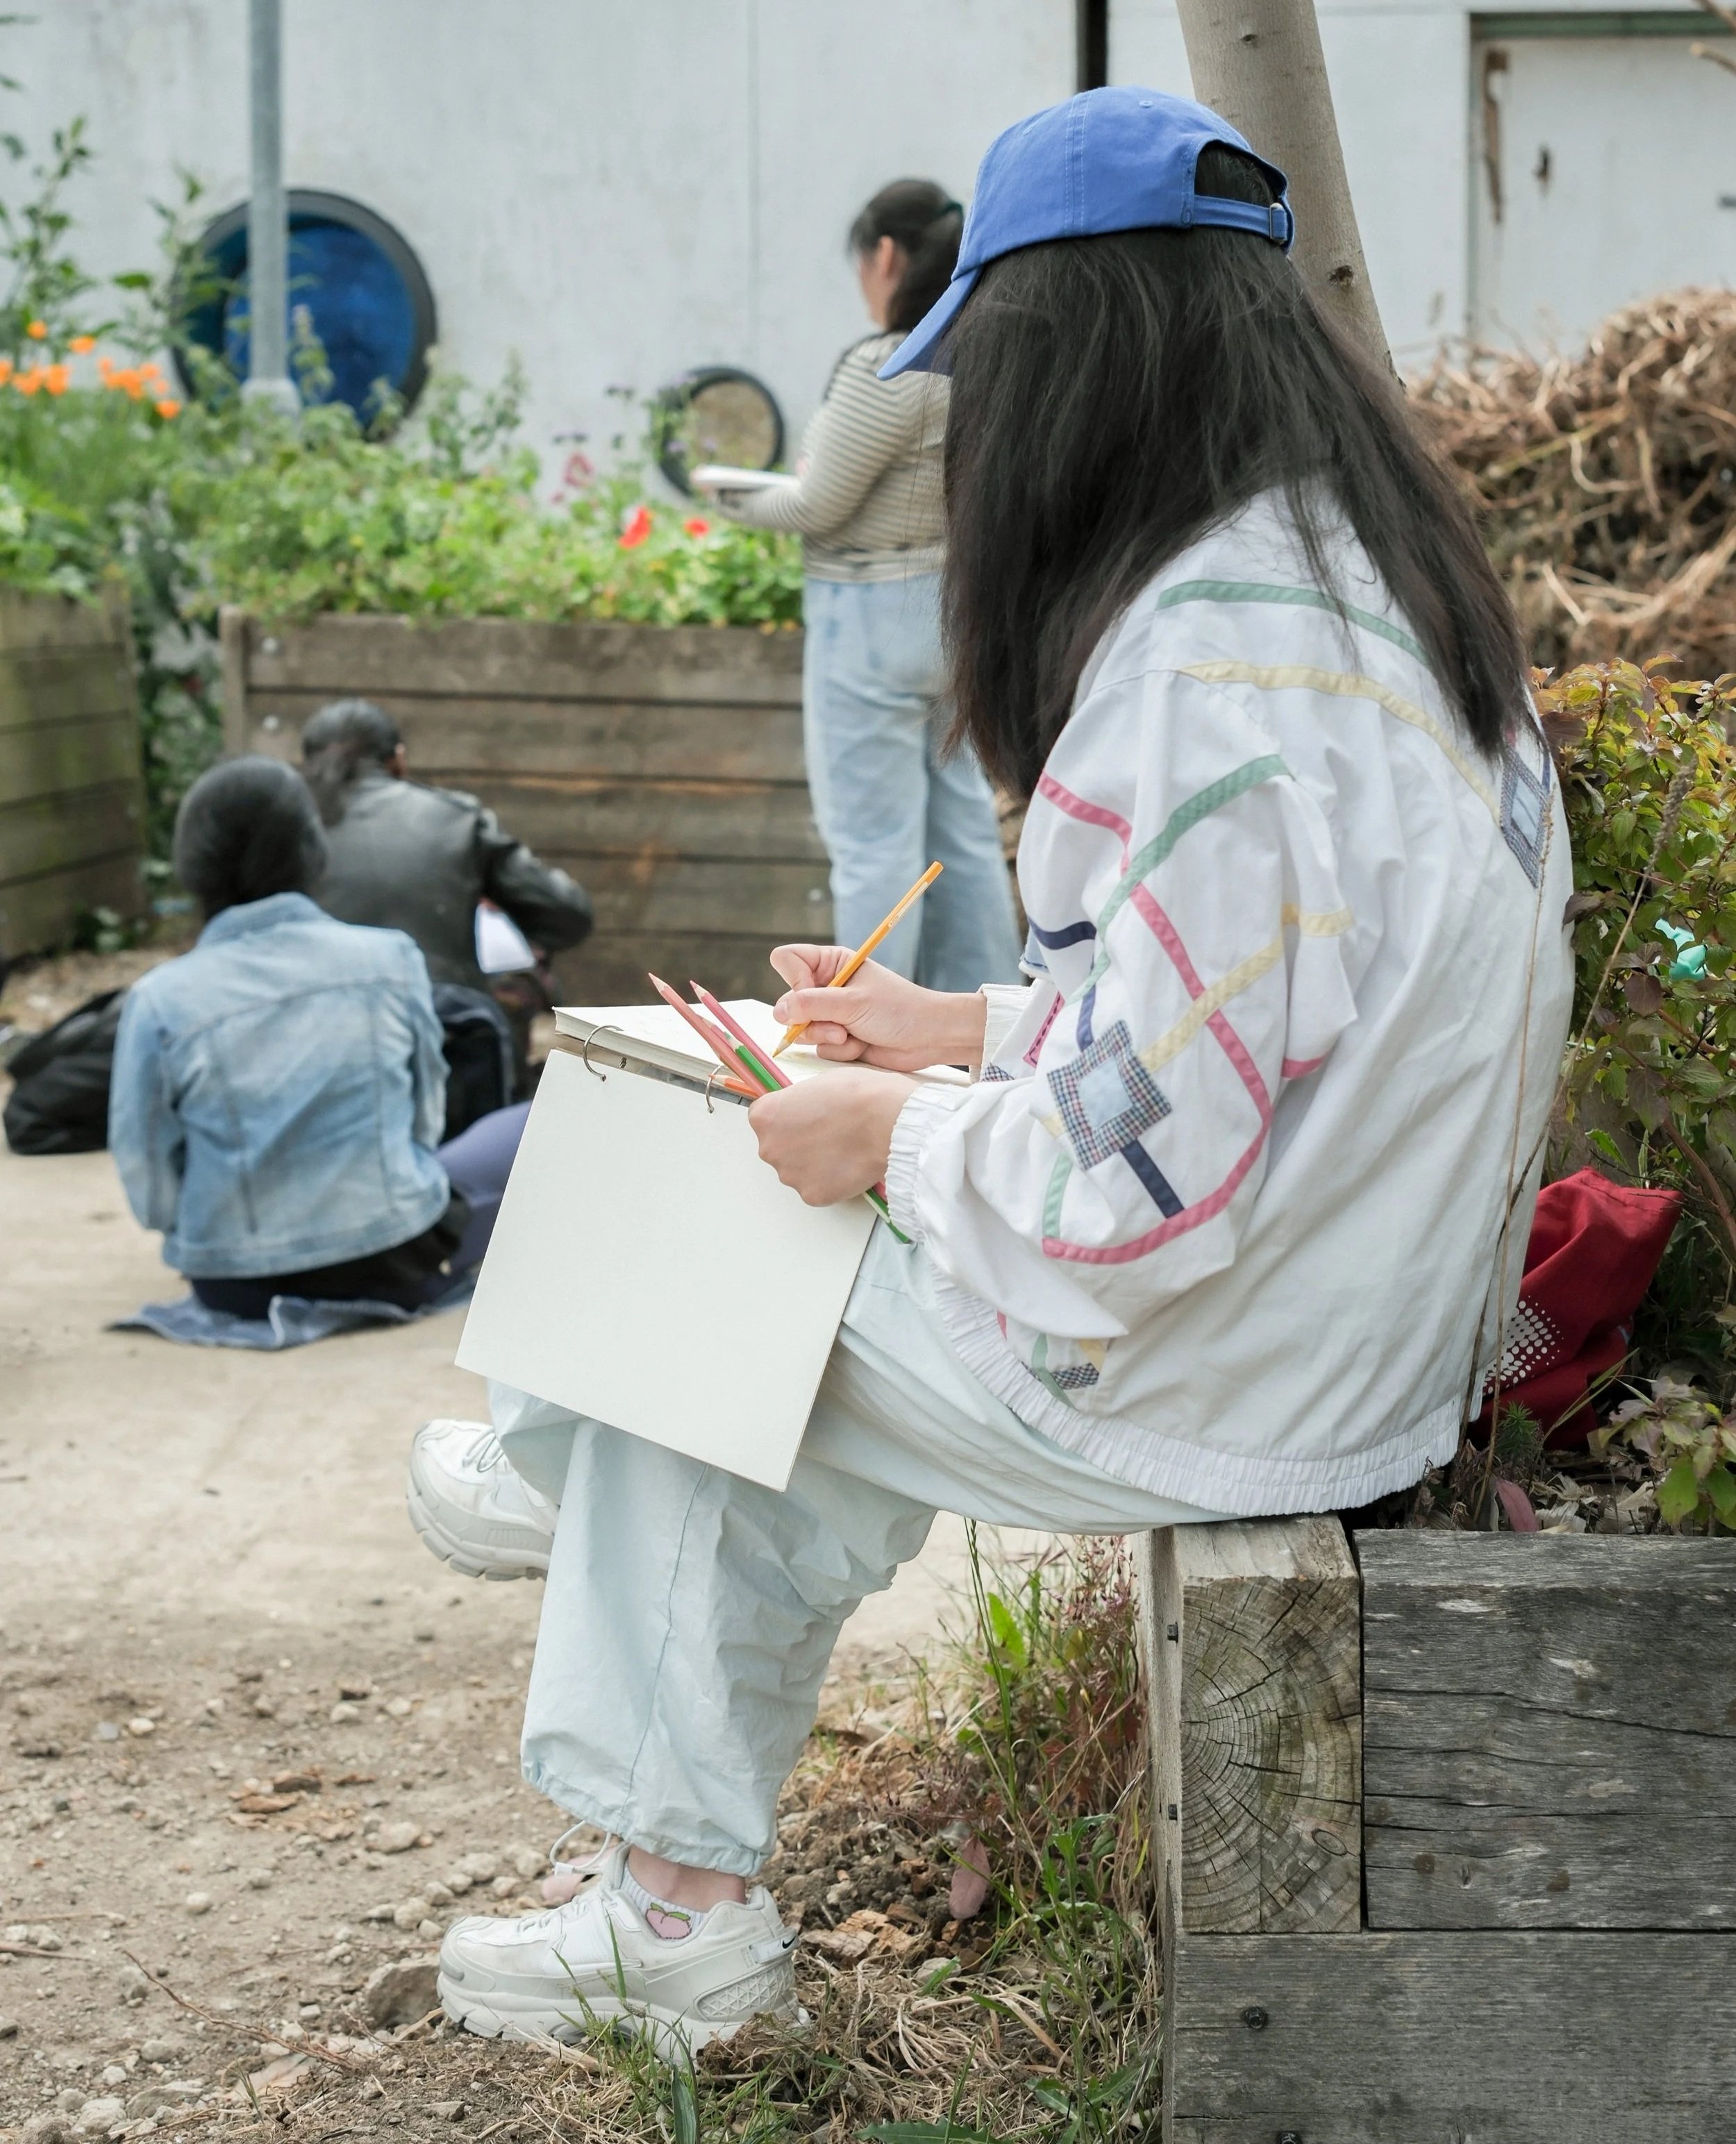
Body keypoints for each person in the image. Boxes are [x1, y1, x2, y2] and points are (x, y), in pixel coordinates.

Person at [408, 90, 1573, 2057]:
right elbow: (1269, 1022)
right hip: (1361, 1320)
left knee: (705, 1269)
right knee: (746, 1238)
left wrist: (893, 1128)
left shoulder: (1191, 675)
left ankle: (665, 1887)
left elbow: (1123, 1210)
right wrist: (959, 1034)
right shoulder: (1351, 591)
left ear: (1072, 363)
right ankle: (573, 1488)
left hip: (1233, 1366)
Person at [699, 181, 1021, 995]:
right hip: (951, 613)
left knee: (873, 842)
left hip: (867, 622)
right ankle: (977, 1021)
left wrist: (721, 491)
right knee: (962, 833)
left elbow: (816, 502)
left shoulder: (889, 362)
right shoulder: (983, 354)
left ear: (886, 257)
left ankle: (868, 1022)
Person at [109, 756, 529, 1319]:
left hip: (231, 1284)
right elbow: (422, 1123)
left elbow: (147, 1176)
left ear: (190, 867)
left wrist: (212, 1231)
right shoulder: (390, 959)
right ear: (313, 850)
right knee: (534, 1120)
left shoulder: (158, 999)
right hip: (391, 1261)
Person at [301, 698, 594, 998]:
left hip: (306, 1020)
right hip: (443, 1025)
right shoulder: (456, 818)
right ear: (398, 759)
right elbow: (568, 916)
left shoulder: (284, 824)